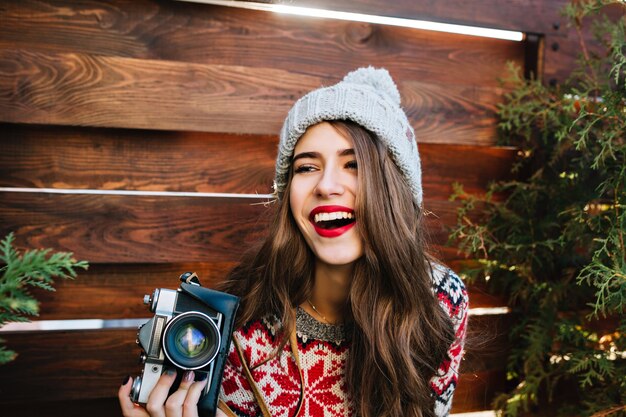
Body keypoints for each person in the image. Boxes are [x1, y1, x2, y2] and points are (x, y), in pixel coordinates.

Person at [119, 67, 469, 417]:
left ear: (395, 190)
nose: (327, 185)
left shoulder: (440, 298)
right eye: (306, 167)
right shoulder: (237, 332)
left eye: (354, 164)